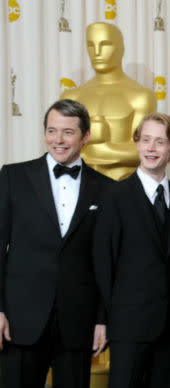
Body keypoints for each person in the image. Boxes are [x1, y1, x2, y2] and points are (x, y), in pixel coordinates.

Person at [0, 99, 113, 388]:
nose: (58, 140)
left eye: (67, 132)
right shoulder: (13, 177)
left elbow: (107, 262)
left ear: (85, 136)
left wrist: (103, 319)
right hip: (20, 320)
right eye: (52, 131)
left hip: (78, 321)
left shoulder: (107, 189)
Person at [93, 113, 170, 388]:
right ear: (136, 143)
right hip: (127, 322)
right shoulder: (115, 196)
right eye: (146, 140)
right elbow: (104, 262)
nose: (151, 148)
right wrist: (102, 319)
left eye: (159, 142)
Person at [61, 22, 157, 180]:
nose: (97, 53)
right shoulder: (71, 97)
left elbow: (144, 151)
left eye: (105, 45)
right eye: (91, 45)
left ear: (121, 49)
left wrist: (97, 149)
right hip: (77, 187)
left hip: (122, 186)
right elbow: (60, 149)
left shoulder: (140, 96)